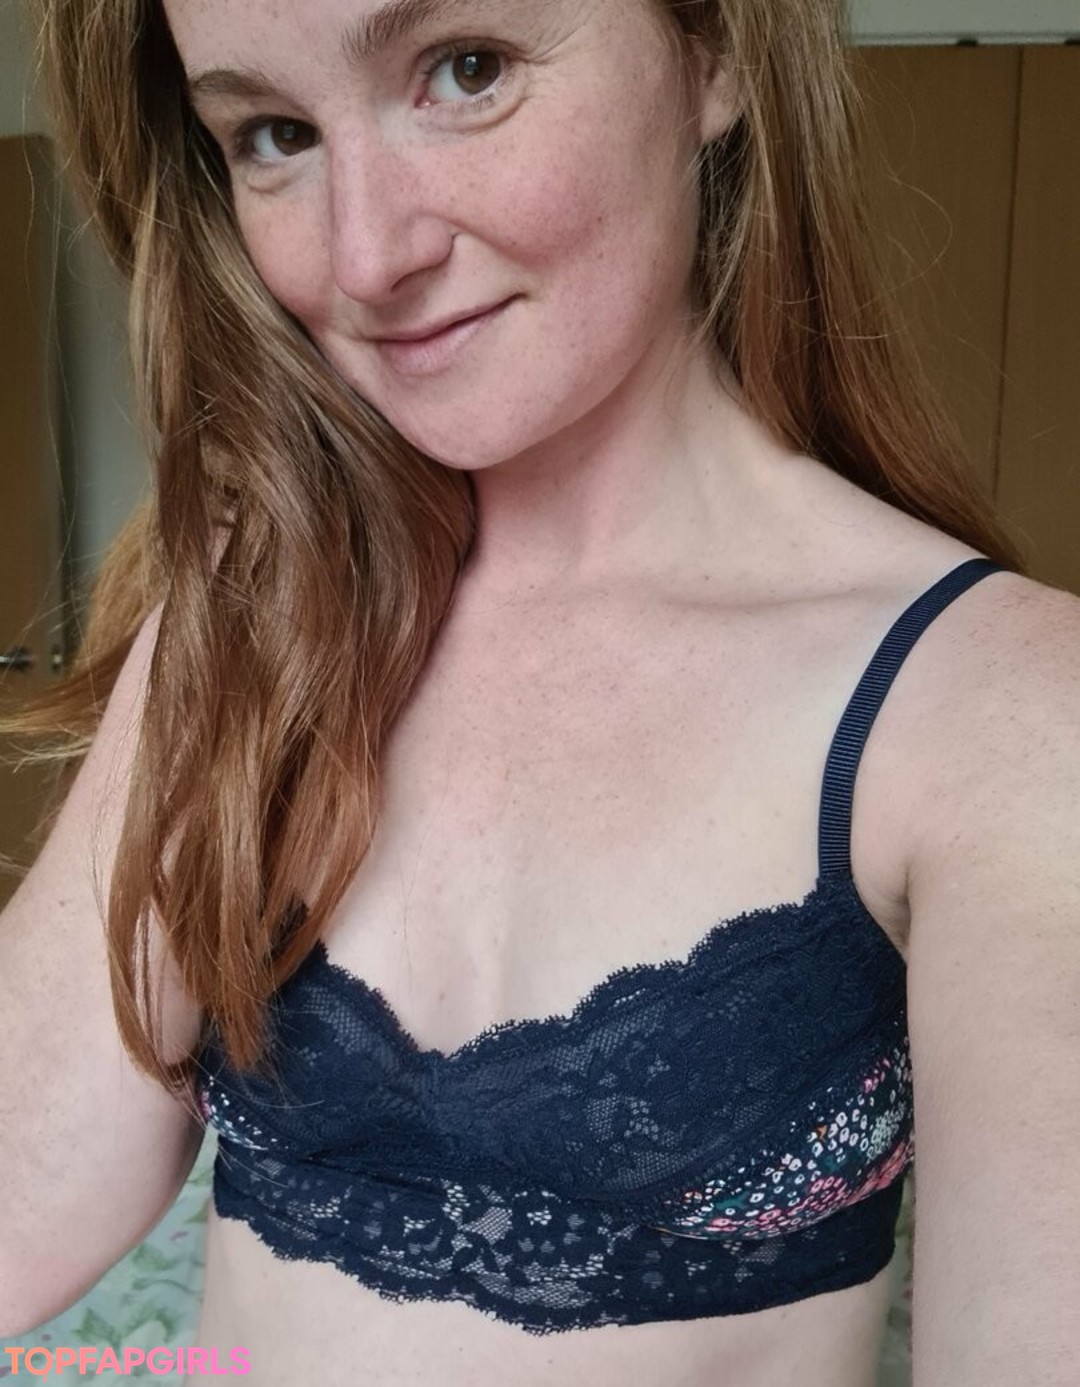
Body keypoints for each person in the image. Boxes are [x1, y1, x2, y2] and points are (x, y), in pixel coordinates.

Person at [2, 0, 1077, 1383]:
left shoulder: (998, 713)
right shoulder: (253, 634)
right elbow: (26, 1187)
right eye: (273, 134)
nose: (365, 256)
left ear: (715, 55)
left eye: (468, 71)